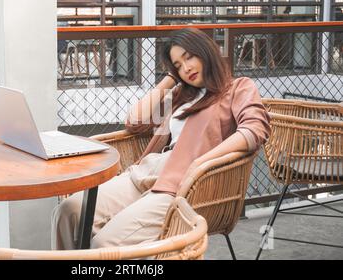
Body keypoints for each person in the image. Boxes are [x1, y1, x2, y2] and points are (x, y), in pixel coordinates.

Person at [51, 28, 271, 250]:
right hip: (146, 173)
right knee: (68, 211)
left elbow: (254, 130)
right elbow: (135, 121)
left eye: (189, 57)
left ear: (206, 52)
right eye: (178, 66)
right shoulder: (181, 95)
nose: (186, 68)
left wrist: (200, 163)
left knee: (105, 243)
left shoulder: (237, 88)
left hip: (185, 186)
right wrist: (169, 80)